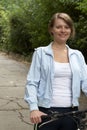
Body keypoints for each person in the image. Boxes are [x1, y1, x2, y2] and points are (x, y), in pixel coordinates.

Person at [24, 12, 87, 130]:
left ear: (71, 30)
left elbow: (86, 82)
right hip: (47, 113)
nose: (63, 30)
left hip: (72, 114)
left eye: (66, 27)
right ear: (51, 29)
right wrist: (33, 108)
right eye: (58, 27)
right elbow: (32, 83)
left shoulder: (77, 55)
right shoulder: (41, 53)